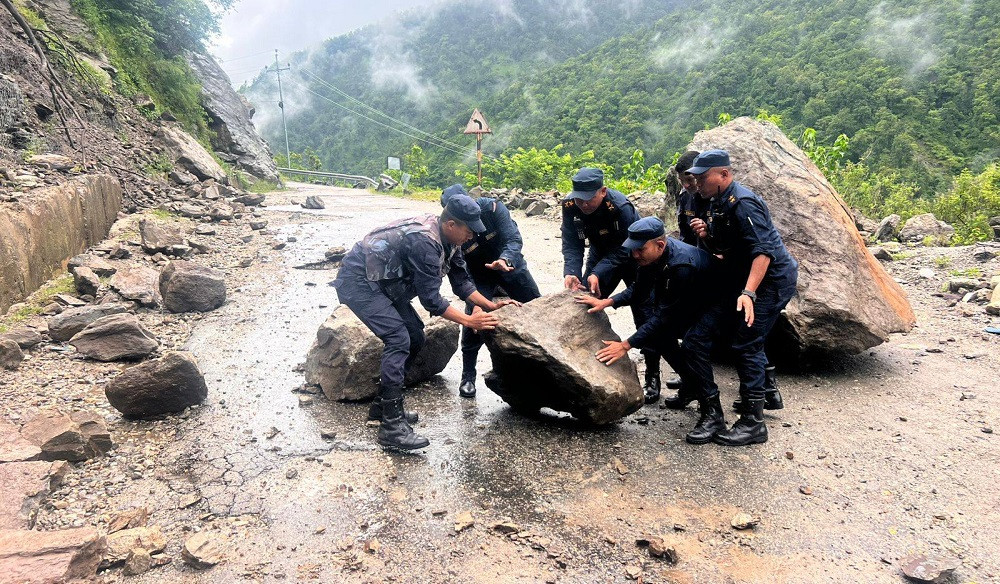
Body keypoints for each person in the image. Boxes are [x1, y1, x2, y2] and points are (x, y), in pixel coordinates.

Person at [332, 194, 518, 450]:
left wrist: (490, 305)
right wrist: (468, 321)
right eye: (468, 230)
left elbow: (462, 281)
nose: (472, 237)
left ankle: (382, 408)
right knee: (398, 339)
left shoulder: (452, 241)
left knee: (416, 337)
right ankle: (391, 427)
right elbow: (431, 300)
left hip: (385, 283)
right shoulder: (426, 242)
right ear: (450, 224)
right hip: (360, 281)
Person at [682, 149, 799, 446]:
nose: (696, 182)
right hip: (740, 276)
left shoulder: (744, 202)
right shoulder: (713, 201)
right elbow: (727, 247)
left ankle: (753, 422)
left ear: (724, 174)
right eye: (693, 177)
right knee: (698, 336)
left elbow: (764, 252)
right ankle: (721, 409)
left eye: (701, 176)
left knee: (747, 341)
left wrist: (748, 292)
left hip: (769, 280)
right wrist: (707, 235)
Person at [575, 217, 723, 443]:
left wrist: (626, 345)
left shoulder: (681, 264)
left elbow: (665, 317)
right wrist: (608, 302)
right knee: (661, 339)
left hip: (720, 301)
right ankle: (692, 385)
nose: (635, 255)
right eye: (632, 250)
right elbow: (639, 290)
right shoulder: (649, 259)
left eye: (640, 250)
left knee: (694, 344)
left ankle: (714, 413)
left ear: (660, 245)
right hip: (692, 298)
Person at [560, 167, 663, 404]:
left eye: (588, 200)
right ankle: (583, 363)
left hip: (635, 257)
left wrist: (599, 272)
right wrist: (572, 272)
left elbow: (625, 249)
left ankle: (652, 374)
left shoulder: (620, 208)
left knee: (644, 314)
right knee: (584, 302)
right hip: (600, 252)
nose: (582, 205)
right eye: (578, 199)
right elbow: (571, 242)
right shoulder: (570, 205)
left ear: (603, 191)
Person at [439, 185, 541, 398]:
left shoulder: (493, 209)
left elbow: (513, 239)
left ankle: (546, 365)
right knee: (475, 321)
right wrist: (476, 302)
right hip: (478, 276)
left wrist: (504, 259)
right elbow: (459, 273)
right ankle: (468, 376)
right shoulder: (450, 233)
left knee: (538, 310)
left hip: (510, 267)